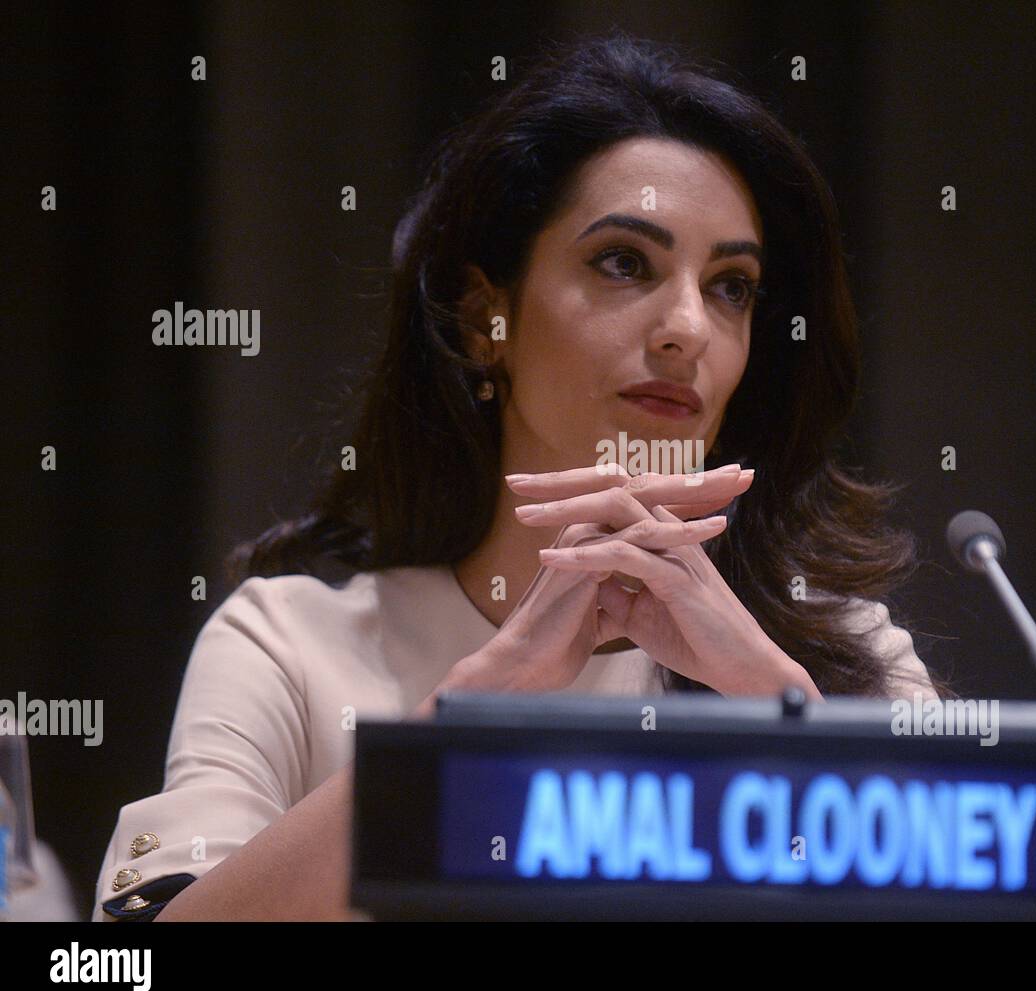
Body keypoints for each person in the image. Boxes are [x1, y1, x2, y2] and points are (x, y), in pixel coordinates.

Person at [92, 31, 943, 923]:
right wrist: (464, 720)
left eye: (731, 286)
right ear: (482, 320)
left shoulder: (844, 659)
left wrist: (783, 715)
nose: (689, 325)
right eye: (625, 263)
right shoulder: (290, 646)